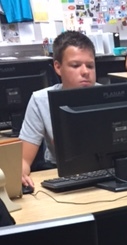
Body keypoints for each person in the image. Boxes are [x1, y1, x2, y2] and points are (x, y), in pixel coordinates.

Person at [19, 31, 96, 188]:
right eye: (75, 65)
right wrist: (19, 172)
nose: (85, 72)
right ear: (58, 67)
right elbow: (24, 159)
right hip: (60, 175)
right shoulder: (41, 101)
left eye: (90, 65)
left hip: (104, 173)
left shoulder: (109, 96)